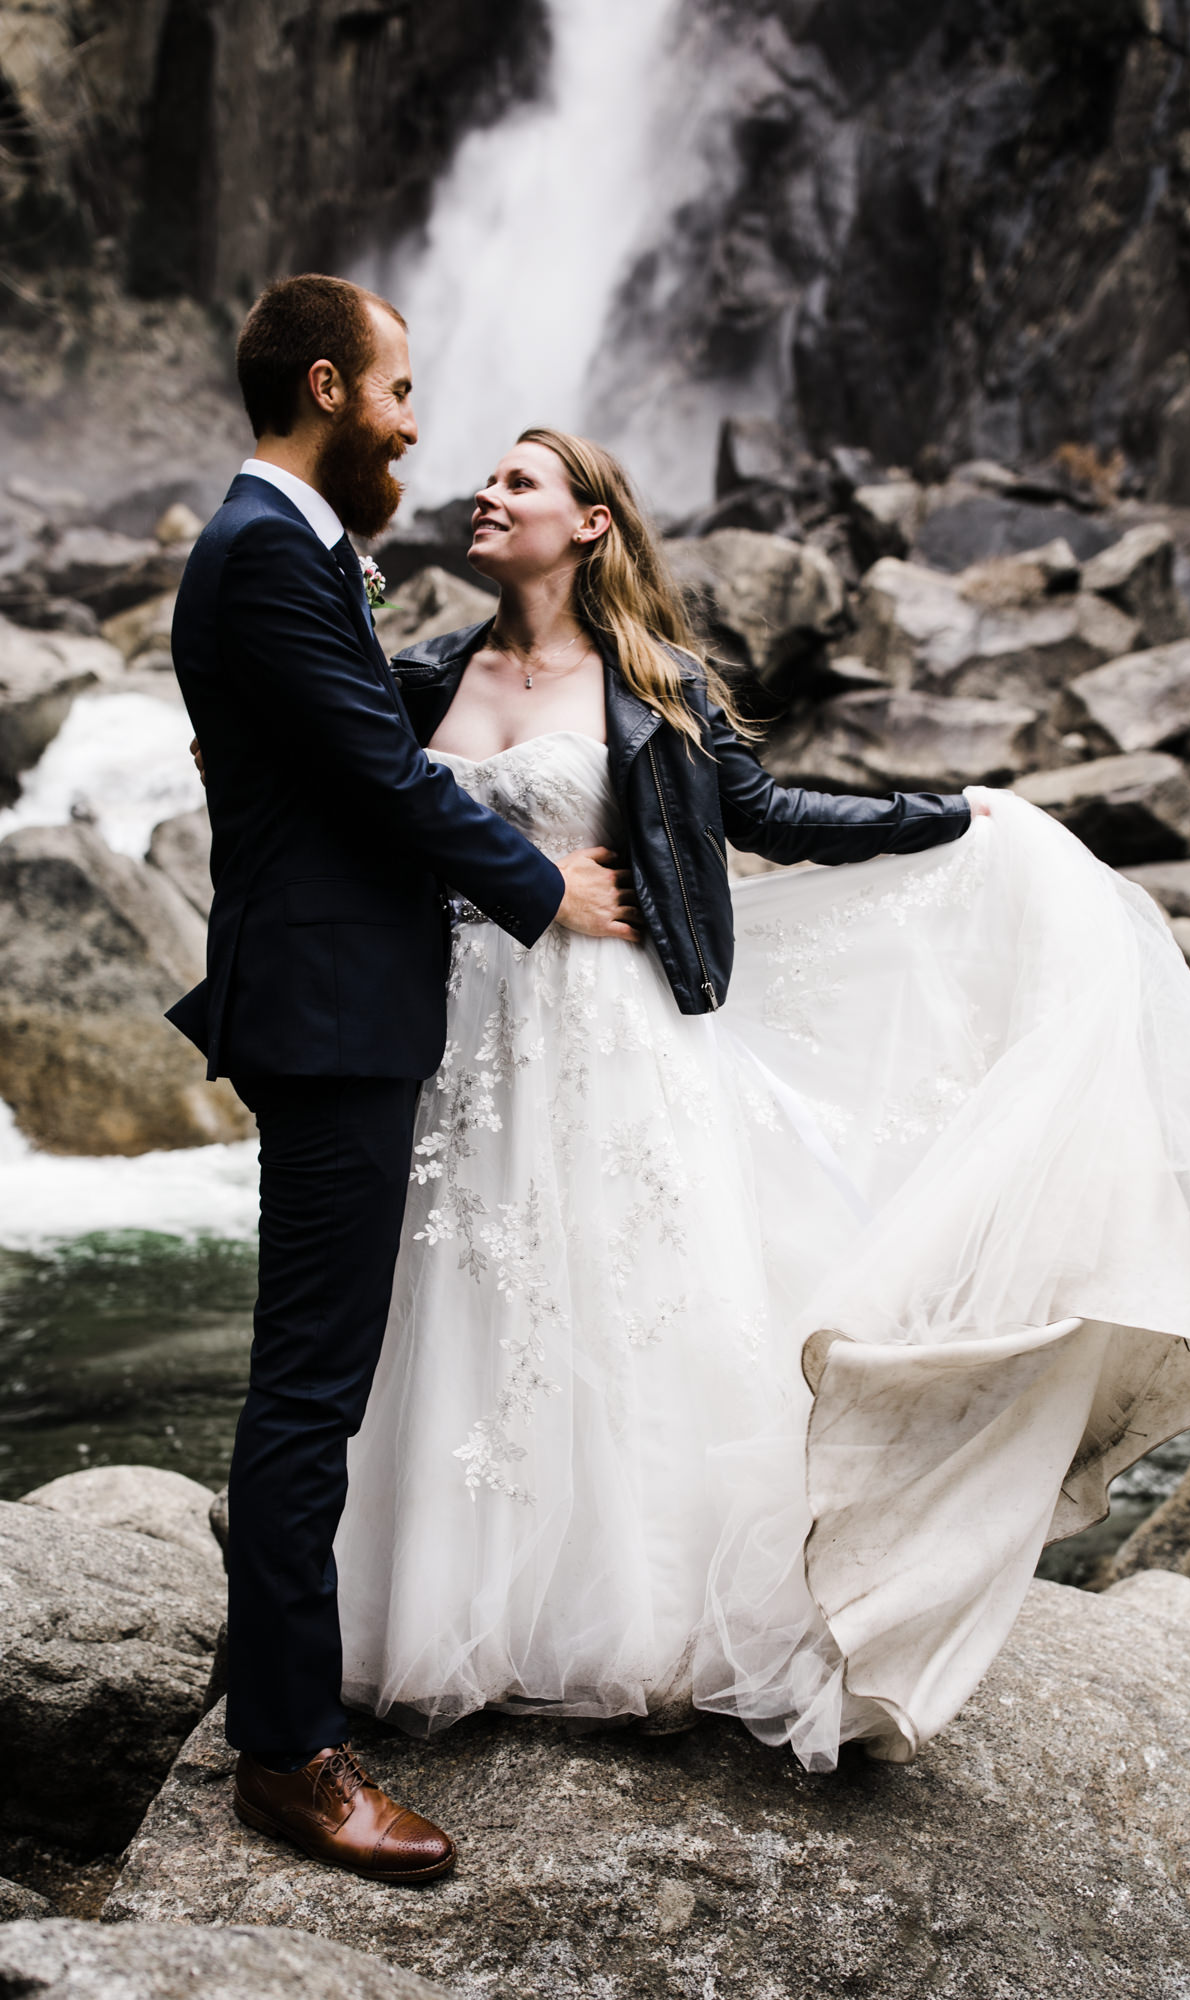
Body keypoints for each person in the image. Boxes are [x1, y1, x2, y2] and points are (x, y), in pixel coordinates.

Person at [334, 428, 1190, 1772]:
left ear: (589, 525)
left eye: (520, 481)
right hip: (462, 1035)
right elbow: (371, 817)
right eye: (489, 479)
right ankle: (445, 1608)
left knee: (627, 1301)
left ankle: (625, 1618)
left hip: (611, 1031)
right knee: (464, 1298)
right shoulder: (425, 673)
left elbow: (770, 815)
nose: (485, 495)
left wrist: (949, 818)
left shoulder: (652, 680)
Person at [166, 285, 636, 1883]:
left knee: (320, 1374)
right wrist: (540, 885)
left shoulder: (283, 549)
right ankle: (291, 1758)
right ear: (327, 388)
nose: (420, 425)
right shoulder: (268, 550)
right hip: (330, 1014)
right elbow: (377, 767)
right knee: (308, 1386)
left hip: (342, 1002)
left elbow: (338, 743)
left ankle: (295, 1701)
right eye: (400, 389)